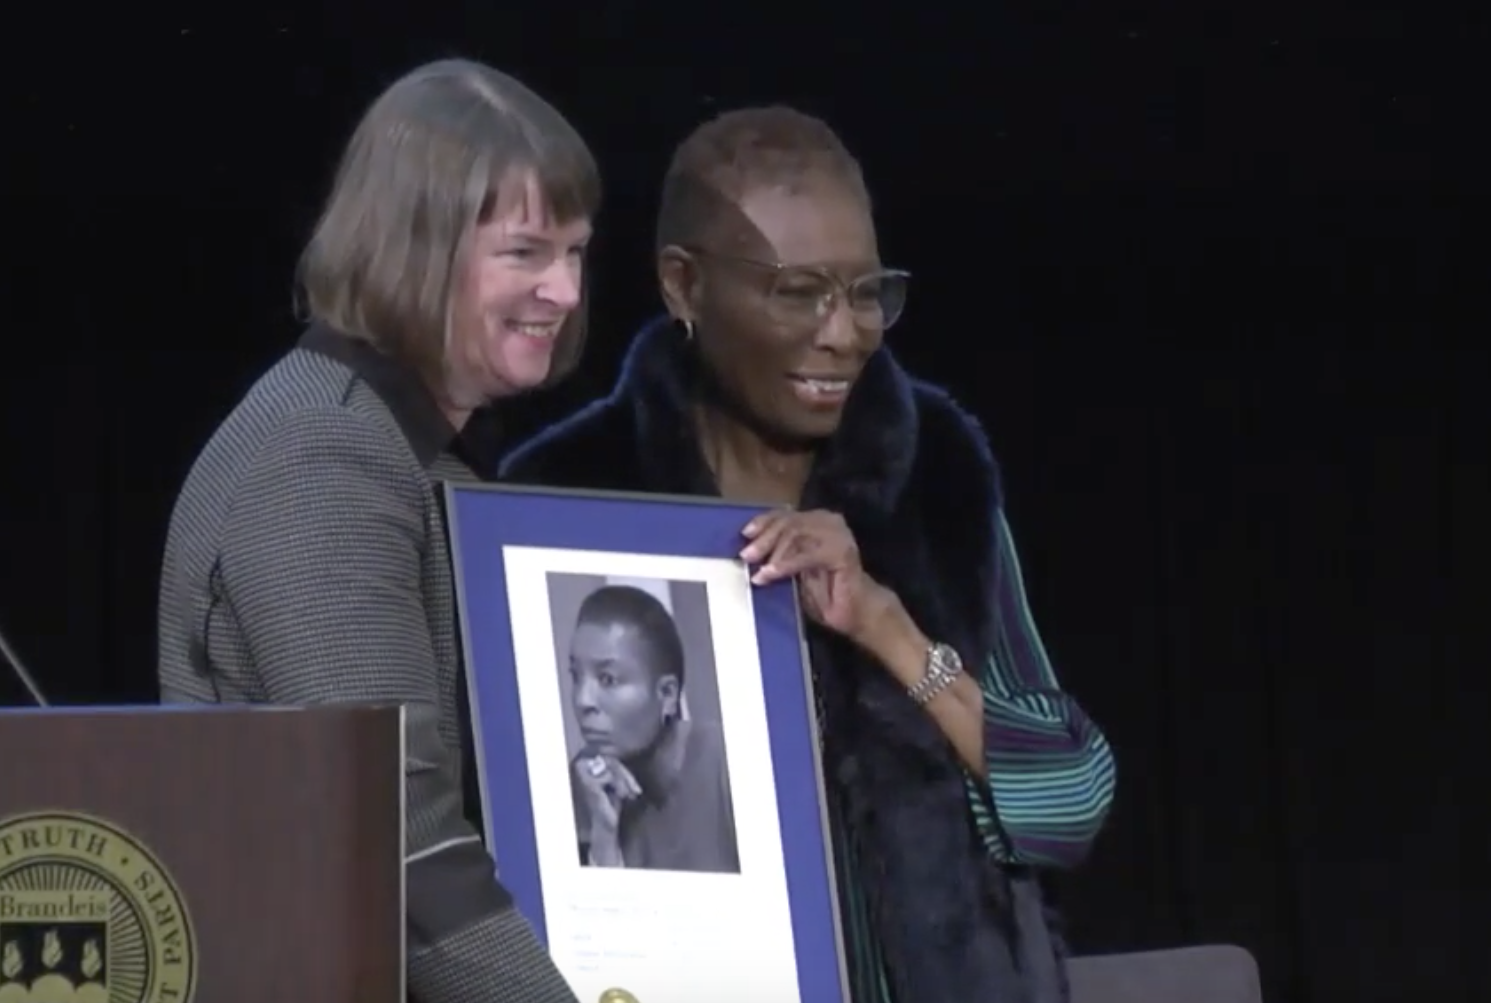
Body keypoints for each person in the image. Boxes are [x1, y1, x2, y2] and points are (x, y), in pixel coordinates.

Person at [501, 107, 1117, 1003]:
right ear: (684, 285)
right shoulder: (560, 498)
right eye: (801, 292)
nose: (845, 333)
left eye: (868, 292)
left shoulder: (935, 477)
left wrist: (889, 628)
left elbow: (1070, 806)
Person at [157, 59, 597, 1003]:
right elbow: (401, 836)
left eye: (575, 252)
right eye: (525, 253)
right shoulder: (322, 453)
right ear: (414, 248)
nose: (562, 291)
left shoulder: (417, 449)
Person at [563, 585, 740, 874]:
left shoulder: (726, 762)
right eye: (575, 676)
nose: (583, 700)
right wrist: (603, 836)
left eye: (607, 679)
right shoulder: (584, 785)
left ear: (667, 695)